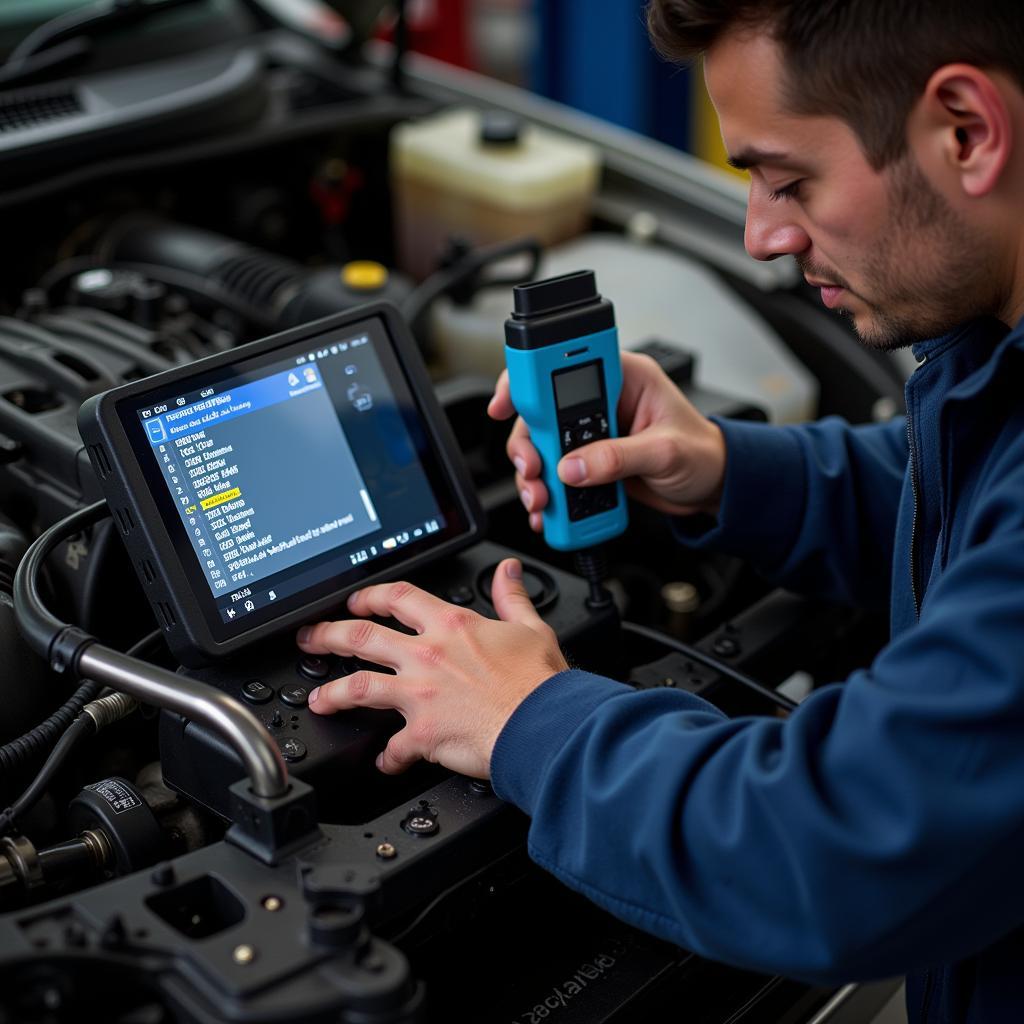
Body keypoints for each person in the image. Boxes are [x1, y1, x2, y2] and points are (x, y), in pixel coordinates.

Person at [297, 1, 1024, 1019]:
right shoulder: (994, 343)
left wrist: (525, 720)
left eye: (786, 178)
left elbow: (841, 847)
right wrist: (727, 470)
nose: (762, 235)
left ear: (965, 130)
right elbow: (957, 495)